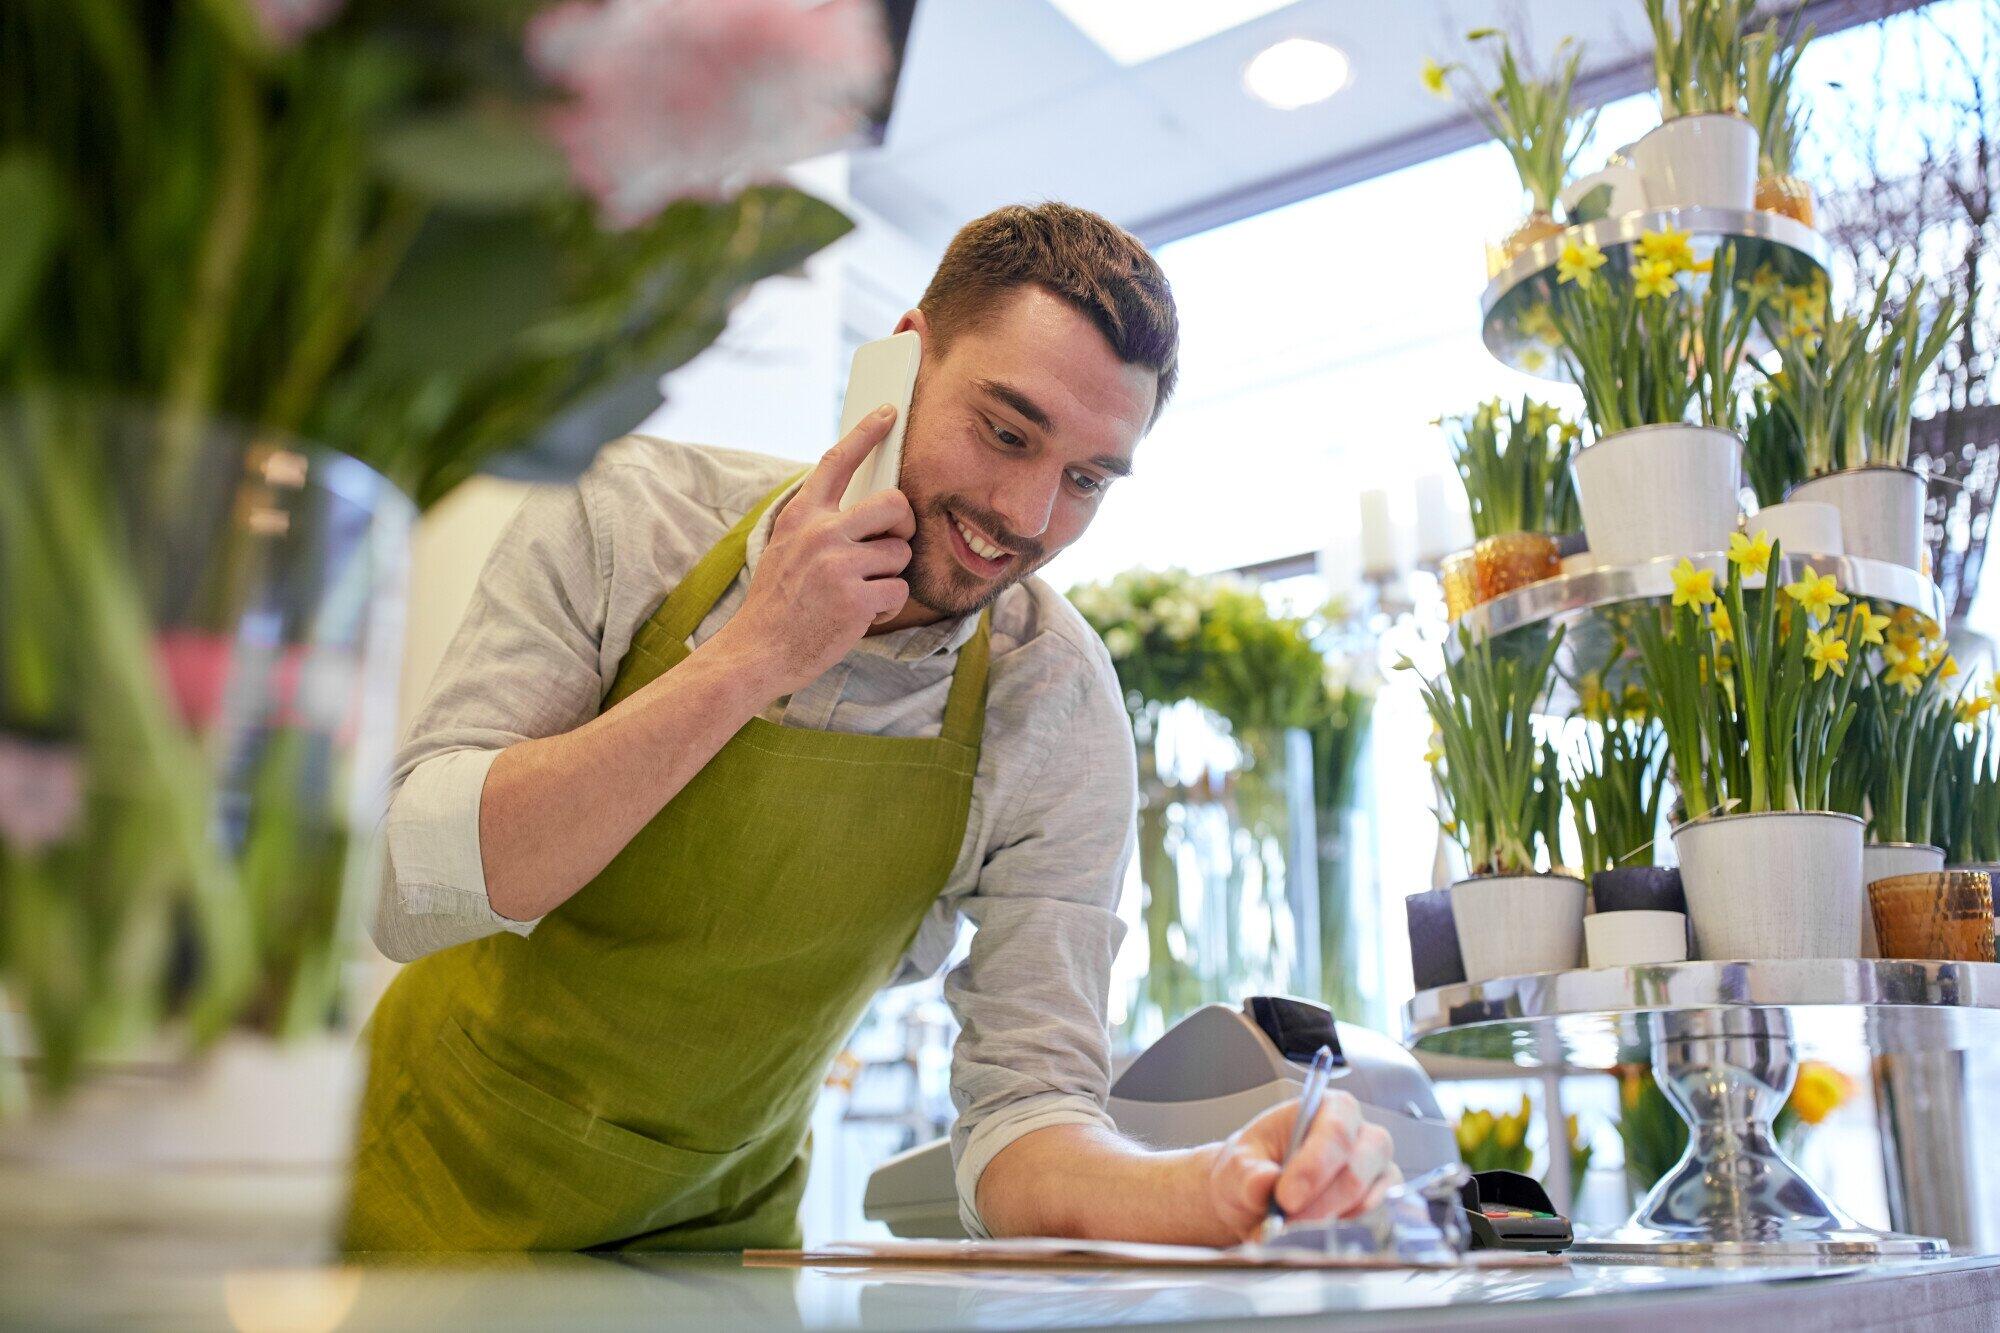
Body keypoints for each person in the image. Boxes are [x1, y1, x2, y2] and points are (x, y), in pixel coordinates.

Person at [345, 202, 1399, 1251]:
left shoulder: (1058, 703)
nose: (1029, 519)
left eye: (1084, 480)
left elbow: (1024, 1117)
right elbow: (405, 888)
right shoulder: (629, 516)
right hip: (429, 1182)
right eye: (1004, 432)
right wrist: (755, 653)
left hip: (713, 1241)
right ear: (900, 366)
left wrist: (1211, 1184)